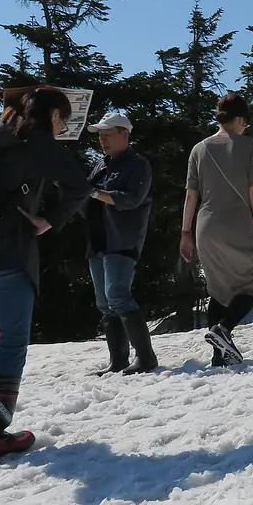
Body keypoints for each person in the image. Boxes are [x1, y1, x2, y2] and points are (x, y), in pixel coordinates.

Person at [0, 87, 94, 459]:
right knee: (12, 340)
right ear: (52, 116)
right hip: (12, 247)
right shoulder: (35, 140)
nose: (62, 127)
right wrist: (48, 221)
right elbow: (80, 186)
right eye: (62, 120)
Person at [181, 93, 253, 367]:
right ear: (241, 119)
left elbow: (190, 195)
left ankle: (219, 356)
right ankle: (224, 329)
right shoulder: (249, 146)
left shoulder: (199, 148)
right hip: (237, 222)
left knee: (218, 288)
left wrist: (185, 233)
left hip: (205, 226)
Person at [83, 111, 156, 375]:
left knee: (118, 296)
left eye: (108, 135)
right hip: (98, 241)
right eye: (100, 136)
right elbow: (86, 198)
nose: (102, 140)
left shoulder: (138, 165)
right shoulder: (101, 165)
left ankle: (146, 358)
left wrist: (92, 191)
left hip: (122, 241)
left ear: (125, 135)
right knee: (105, 303)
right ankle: (118, 361)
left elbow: (130, 199)